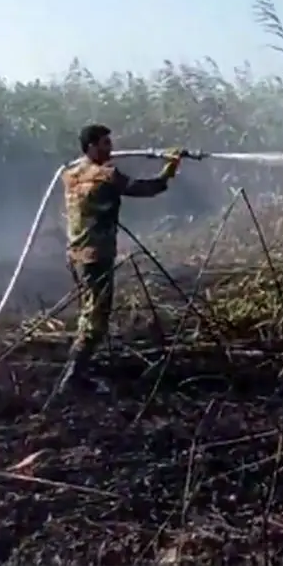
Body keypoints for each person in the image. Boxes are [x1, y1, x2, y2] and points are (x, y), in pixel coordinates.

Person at [56, 123, 183, 395]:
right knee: (95, 319)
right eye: (104, 144)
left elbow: (87, 173)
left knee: (89, 312)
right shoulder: (106, 175)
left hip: (76, 254)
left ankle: (78, 374)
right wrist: (169, 169)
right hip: (96, 255)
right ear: (91, 146)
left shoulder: (70, 173)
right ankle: (72, 379)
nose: (110, 148)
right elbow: (147, 188)